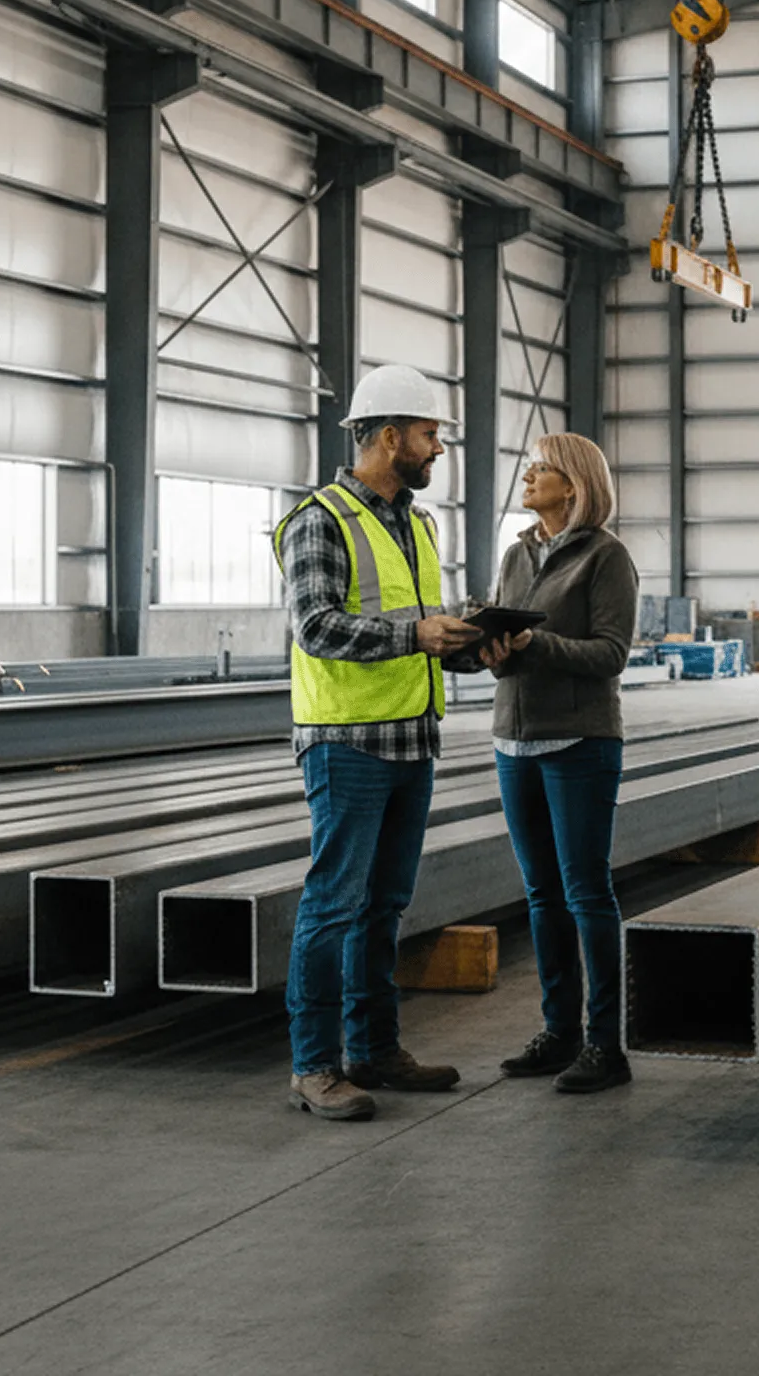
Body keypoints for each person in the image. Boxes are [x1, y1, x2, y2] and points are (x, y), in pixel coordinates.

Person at [274, 364, 480, 1122]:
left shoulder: (418, 525)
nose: (438, 450)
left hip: (412, 736)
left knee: (384, 906)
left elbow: (419, 631)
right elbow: (317, 626)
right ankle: (313, 1067)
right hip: (348, 741)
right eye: (430, 436)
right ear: (390, 437)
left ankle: (374, 1051)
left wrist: (473, 645)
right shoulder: (319, 520)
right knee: (333, 904)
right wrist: (419, 635)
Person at [479, 431, 640, 1094]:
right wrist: (489, 650)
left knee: (585, 893)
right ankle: (559, 1033)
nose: (527, 478)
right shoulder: (517, 553)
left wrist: (533, 644)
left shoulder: (606, 557)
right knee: (542, 895)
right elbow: (510, 649)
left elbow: (610, 654)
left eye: (539, 469)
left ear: (572, 485)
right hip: (514, 743)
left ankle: (605, 1045)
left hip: (579, 743)